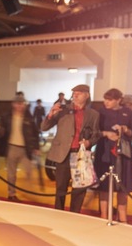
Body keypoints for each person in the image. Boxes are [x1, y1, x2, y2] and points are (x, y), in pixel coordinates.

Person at [41, 84, 100, 213]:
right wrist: (51, 114)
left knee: (79, 189)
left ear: (87, 95)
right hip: (63, 153)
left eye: (79, 93)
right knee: (61, 188)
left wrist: (89, 142)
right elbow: (44, 127)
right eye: (74, 93)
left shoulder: (93, 114)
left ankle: (75, 215)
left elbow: (96, 134)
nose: (75, 95)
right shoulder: (62, 110)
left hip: (80, 155)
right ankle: (58, 214)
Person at [93, 88, 132, 223]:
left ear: (118, 100)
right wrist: (106, 134)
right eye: (105, 99)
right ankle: (104, 216)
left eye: (110, 100)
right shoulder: (100, 112)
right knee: (104, 185)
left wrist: (125, 129)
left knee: (122, 186)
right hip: (105, 152)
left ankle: (122, 217)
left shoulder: (127, 112)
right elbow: (95, 132)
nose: (106, 102)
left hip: (124, 153)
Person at [0, 94, 40, 201]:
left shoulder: (28, 117)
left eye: (22, 104)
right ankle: (11, 194)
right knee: (11, 173)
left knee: (29, 171)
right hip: (11, 148)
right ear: (13, 104)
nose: (20, 106)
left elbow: (35, 133)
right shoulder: (7, 117)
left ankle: (28, 191)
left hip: (25, 149)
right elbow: (2, 134)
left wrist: (36, 147)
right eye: (18, 103)